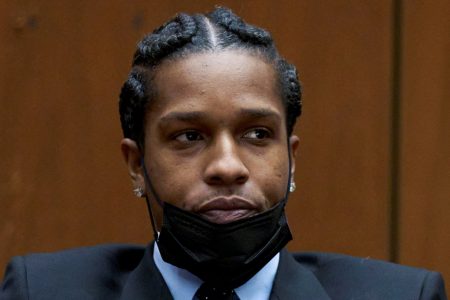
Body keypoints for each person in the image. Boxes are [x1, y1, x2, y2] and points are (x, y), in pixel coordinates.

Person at [0, 6, 447, 300]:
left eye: (256, 134)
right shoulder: (41, 291)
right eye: (189, 137)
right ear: (137, 165)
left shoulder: (405, 296)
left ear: (291, 157)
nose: (227, 167)